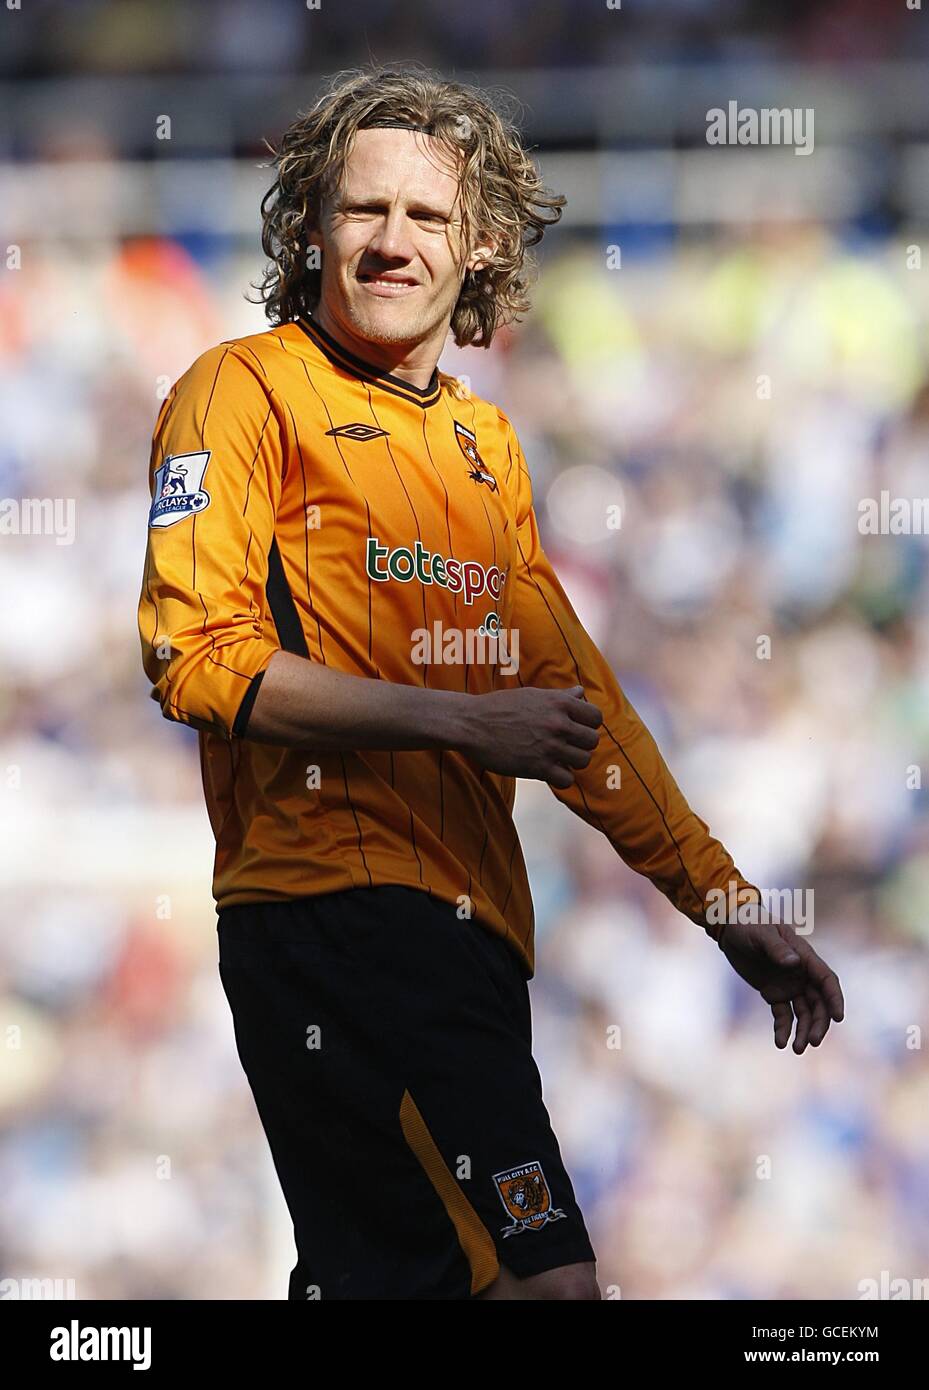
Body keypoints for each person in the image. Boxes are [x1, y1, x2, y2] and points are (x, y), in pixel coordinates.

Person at [137, 63, 844, 1301]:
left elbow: (576, 705)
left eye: (426, 217)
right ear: (310, 227)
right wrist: (465, 723)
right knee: (544, 1284)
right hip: (333, 915)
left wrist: (723, 905)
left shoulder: (481, 444)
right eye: (363, 211)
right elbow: (198, 661)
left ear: (481, 248)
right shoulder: (237, 391)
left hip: (469, 938)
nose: (391, 242)